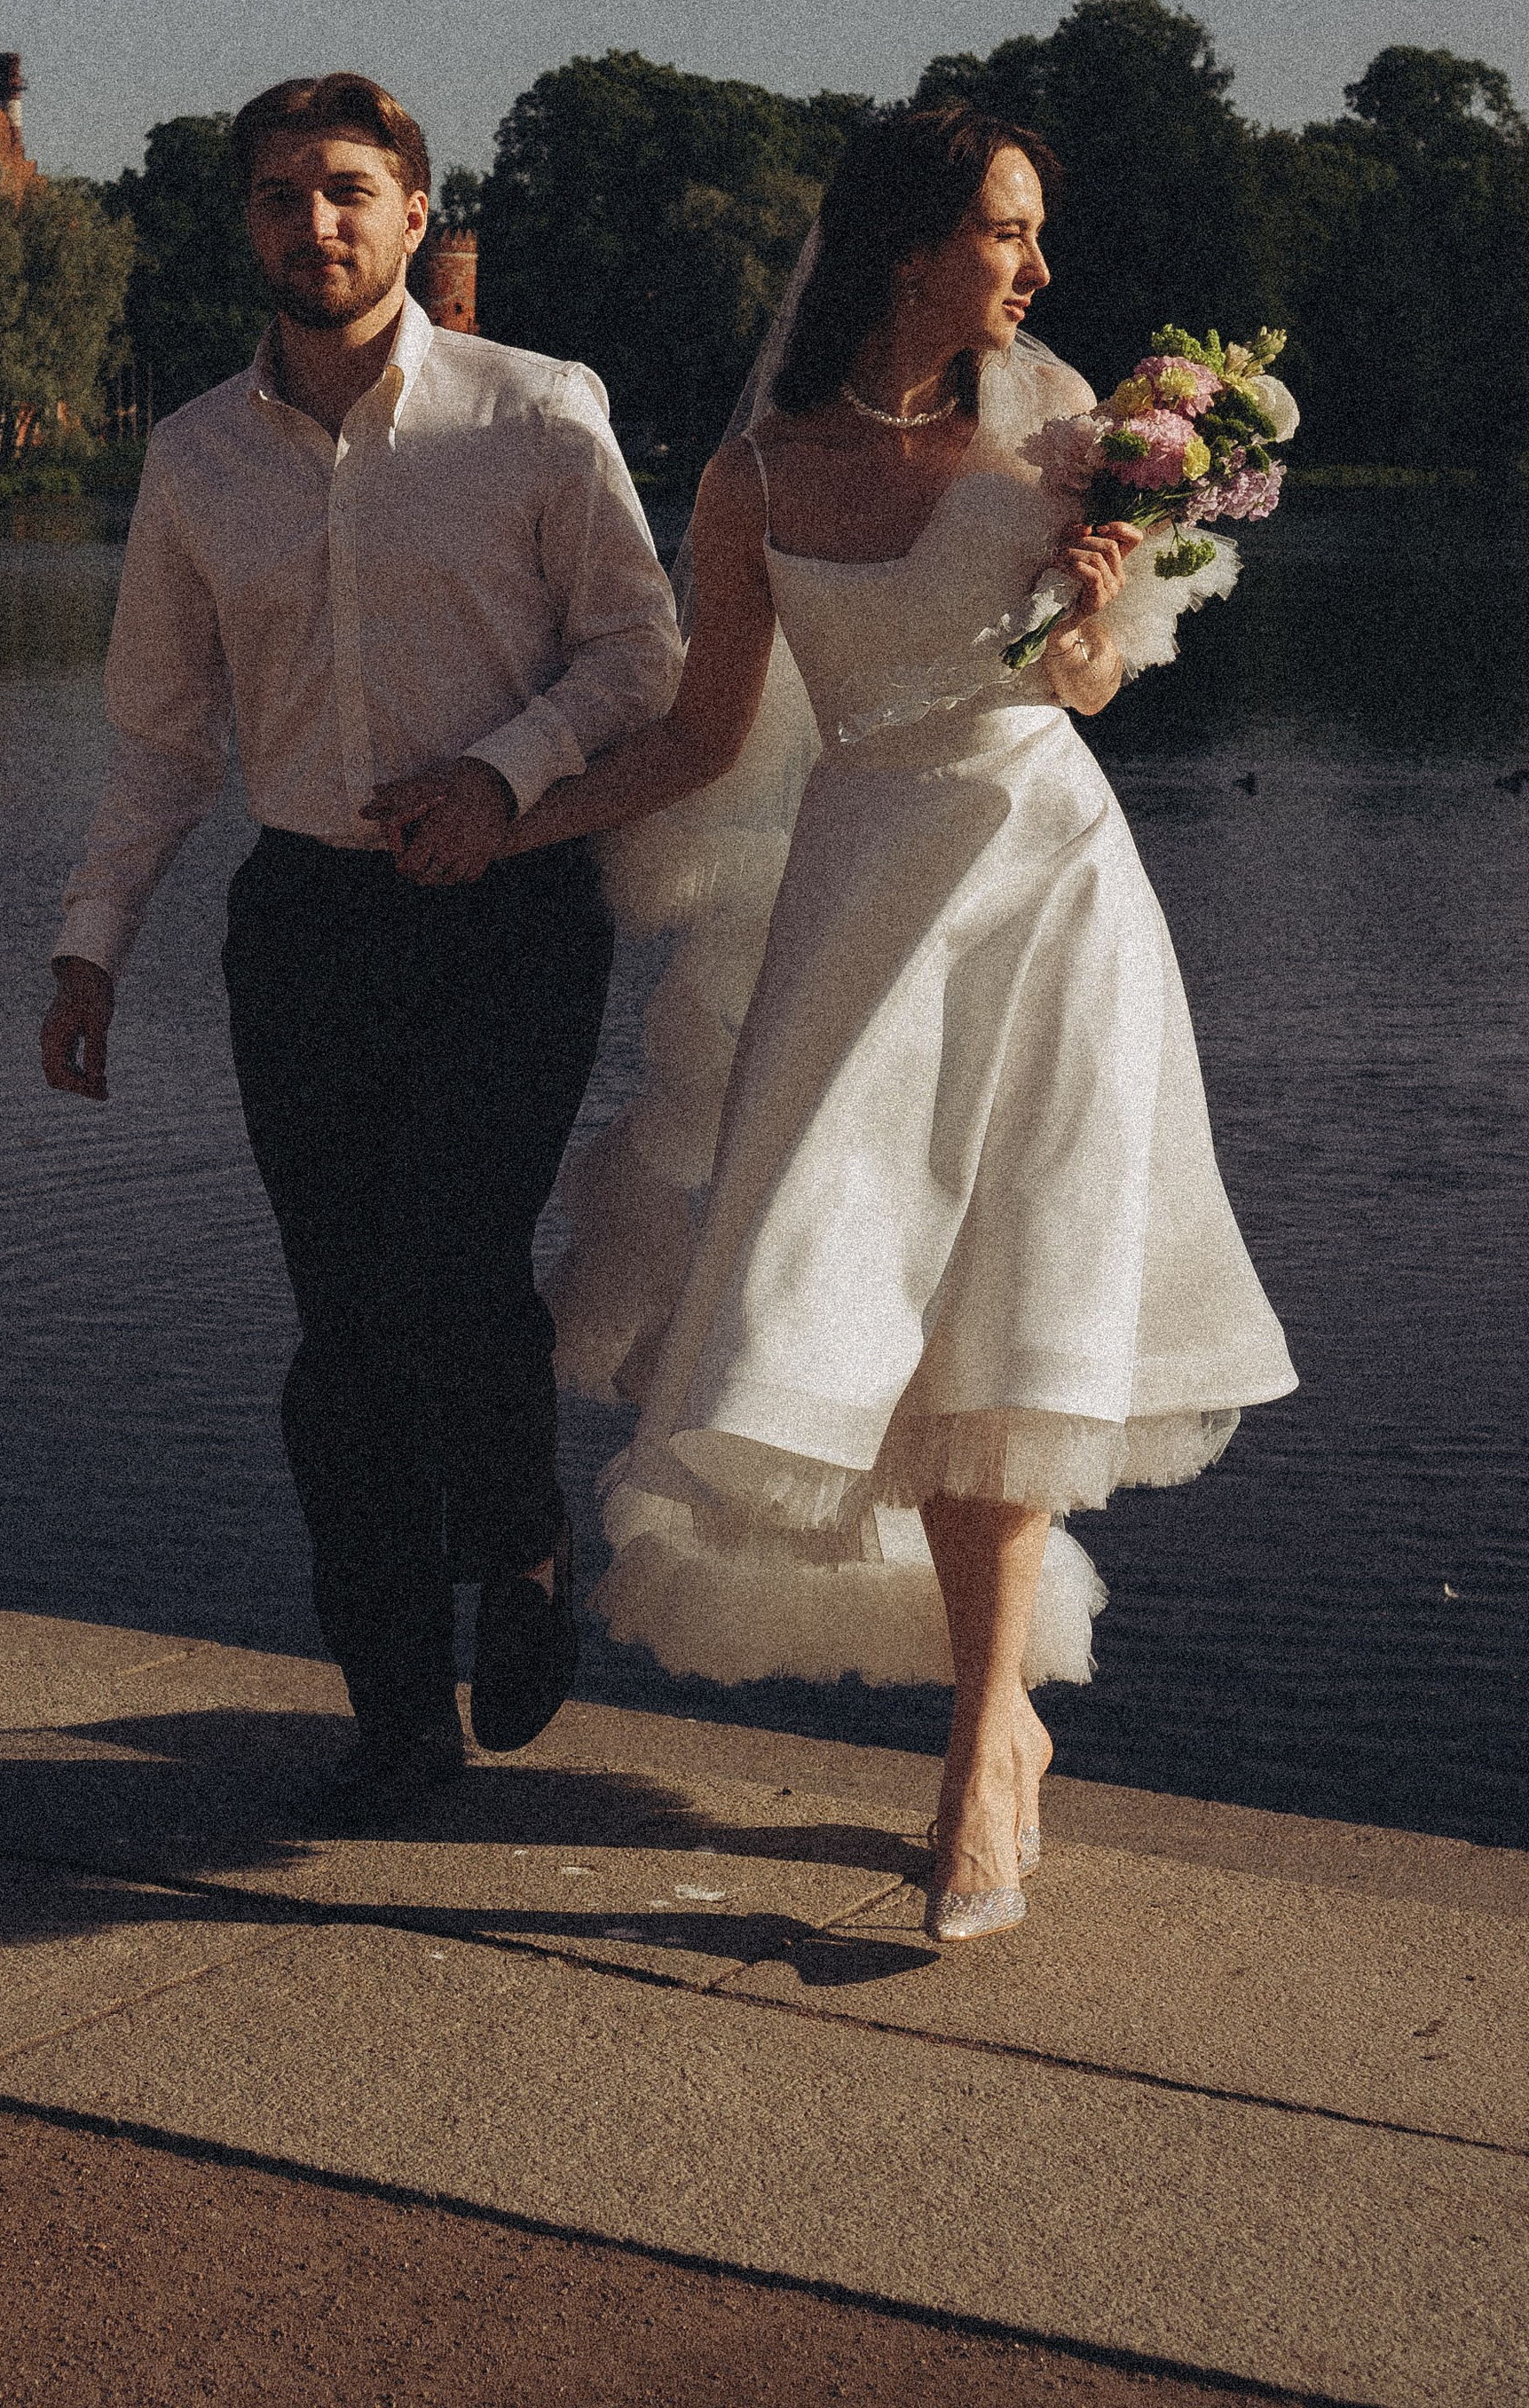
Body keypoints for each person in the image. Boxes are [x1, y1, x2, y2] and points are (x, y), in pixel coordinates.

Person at [371, 103, 1296, 1940]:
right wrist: (498, 811)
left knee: (1012, 1308)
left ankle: (976, 1757)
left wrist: (1092, 612)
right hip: (860, 902)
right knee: (853, 1292)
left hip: (1047, 898)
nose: (1034, 271)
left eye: (1032, 237)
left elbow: (1080, 689)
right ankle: (994, 1723)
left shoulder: (1058, 433)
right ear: (902, 248)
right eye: (1005, 232)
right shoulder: (755, 482)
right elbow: (703, 740)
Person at [40, 72, 682, 1812]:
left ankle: (520, 1540)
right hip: (304, 927)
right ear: (242, 223)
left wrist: (501, 774)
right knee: (340, 1337)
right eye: (273, 197)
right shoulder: (193, 458)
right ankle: (395, 1706)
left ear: (413, 215)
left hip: (503, 916)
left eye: (343, 191)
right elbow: (164, 736)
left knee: (449, 1272)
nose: (308, 225)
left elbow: (640, 659)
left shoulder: (537, 417)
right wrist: (91, 945)